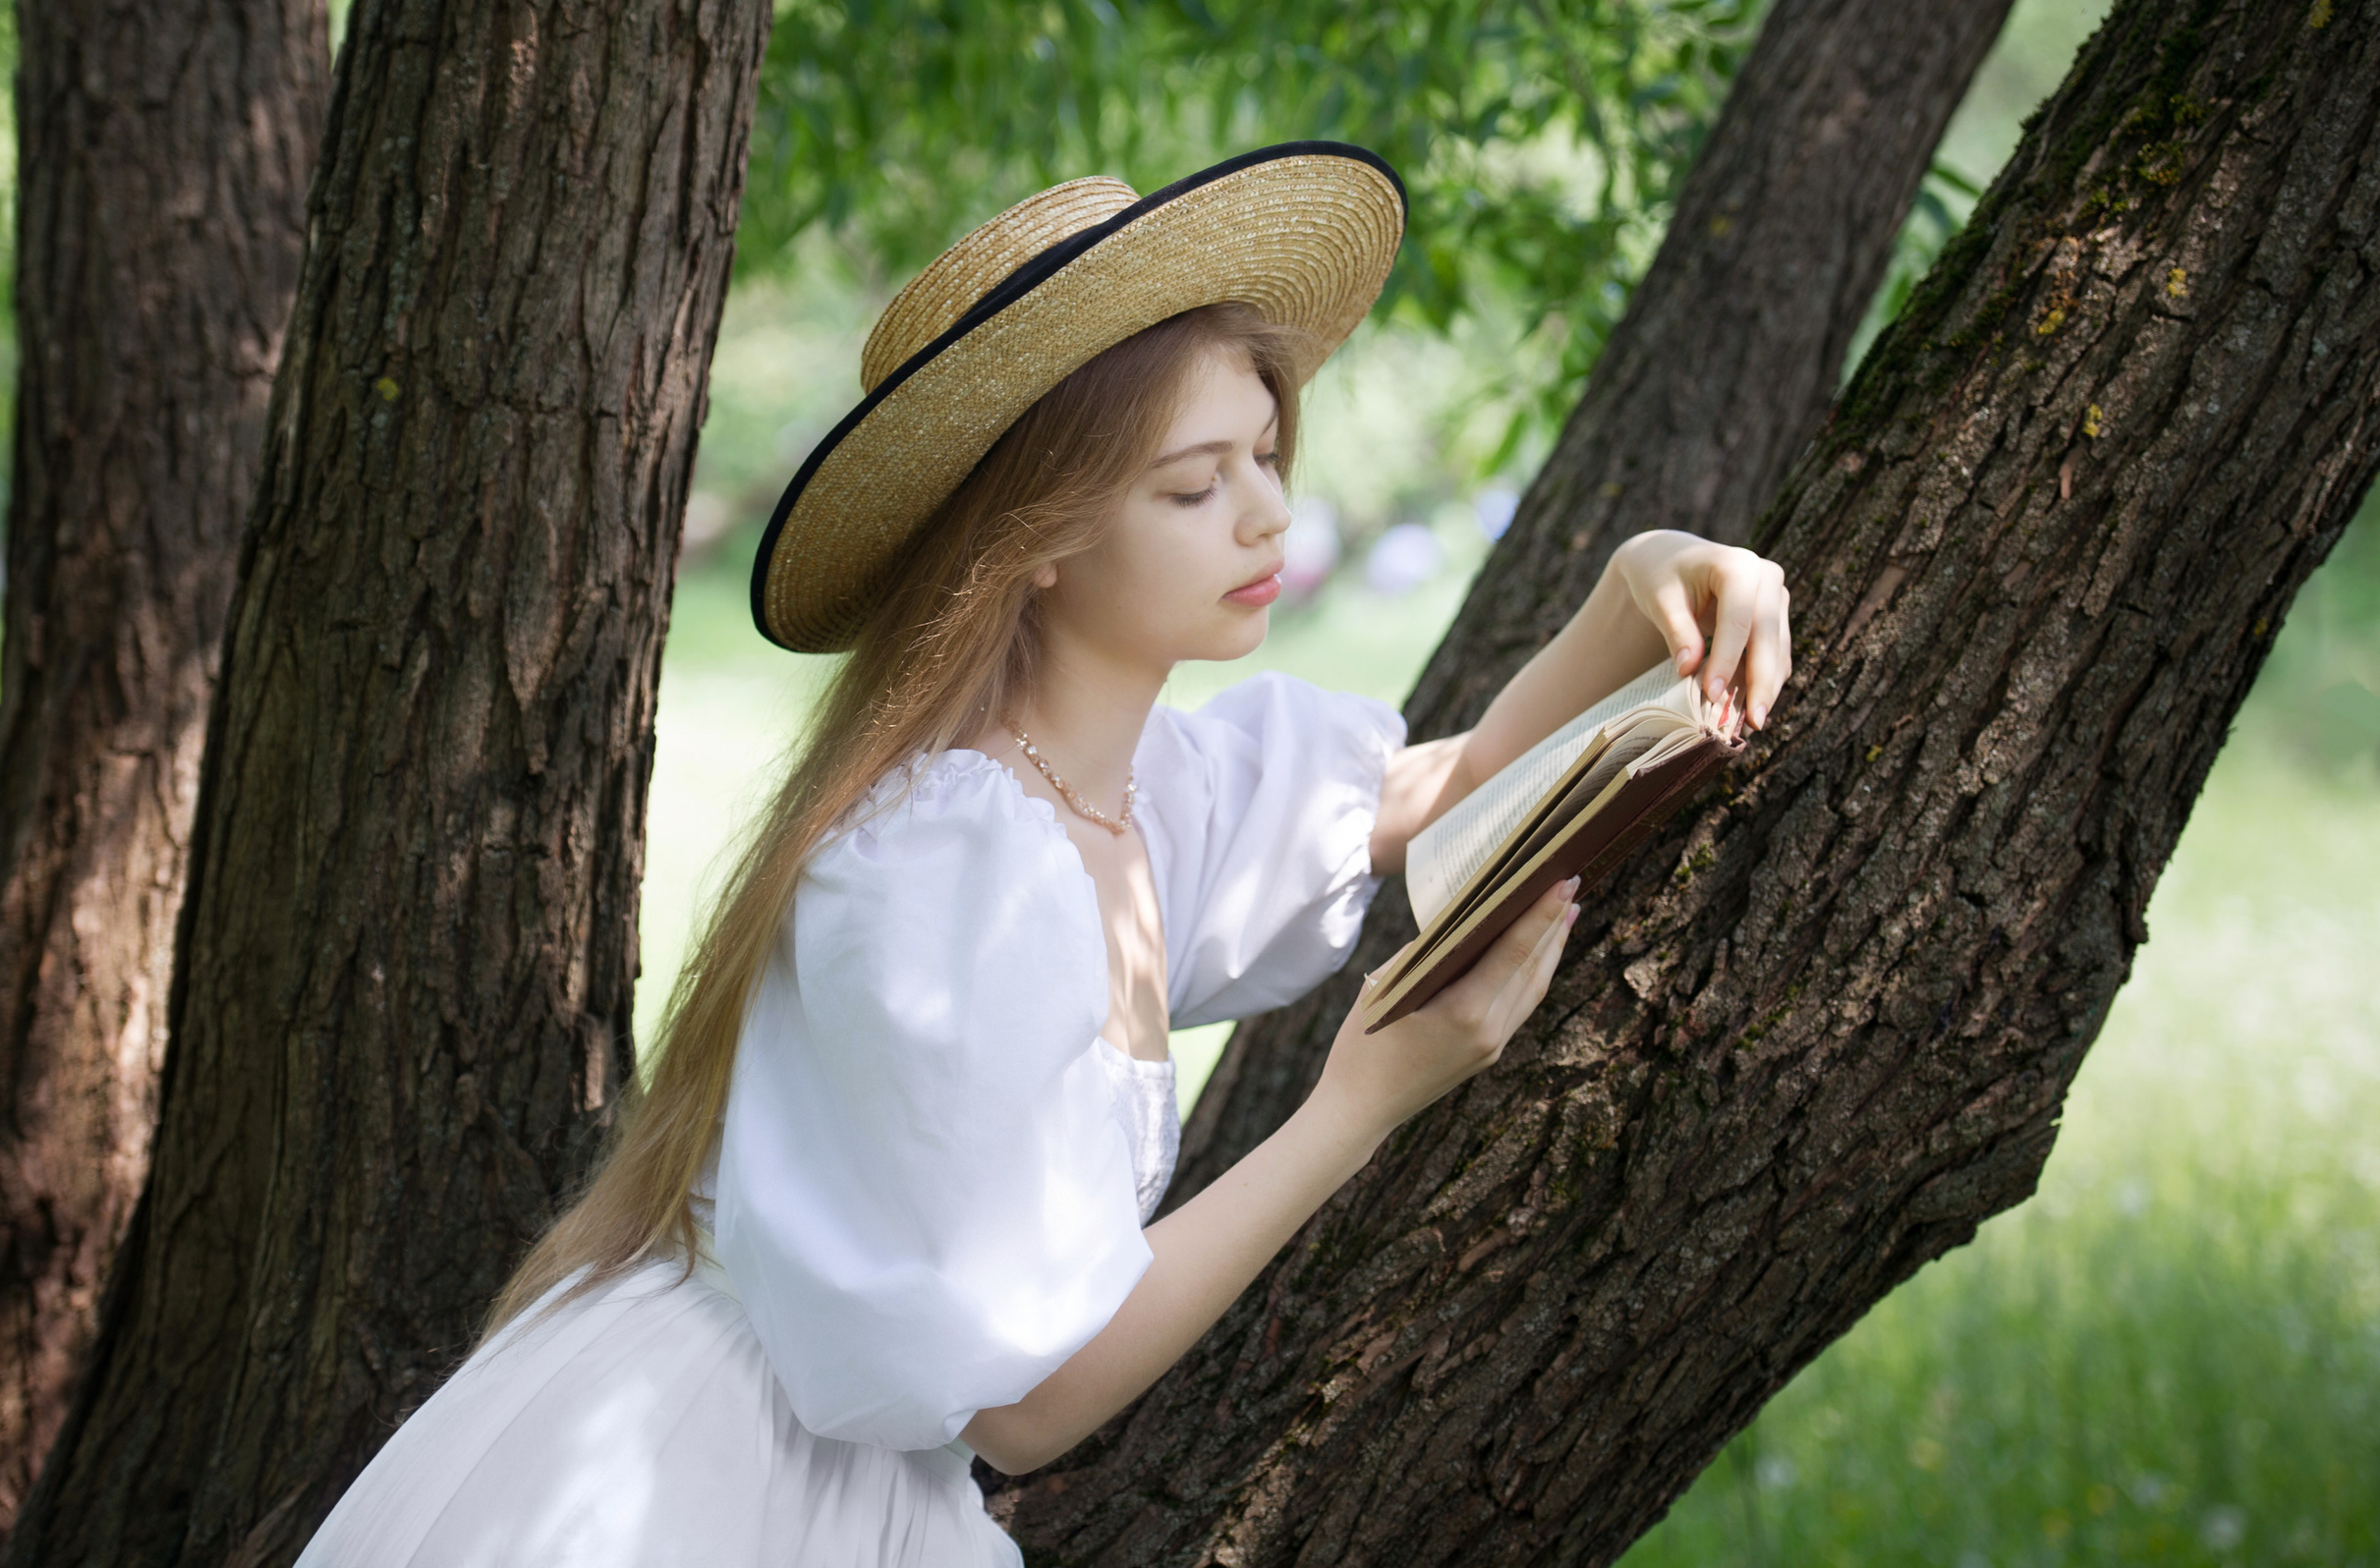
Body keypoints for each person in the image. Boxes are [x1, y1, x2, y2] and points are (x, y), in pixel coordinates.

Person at [296, 142, 1791, 1567]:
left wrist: (1632, 588)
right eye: (1194, 485)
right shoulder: (943, 871)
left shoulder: (1133, 792)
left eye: (1265, 453)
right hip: (694, 1487)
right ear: (1043, 535)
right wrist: (1362, 1098)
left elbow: (1441, 793)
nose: (1267, 511)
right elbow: (1024, 1402)